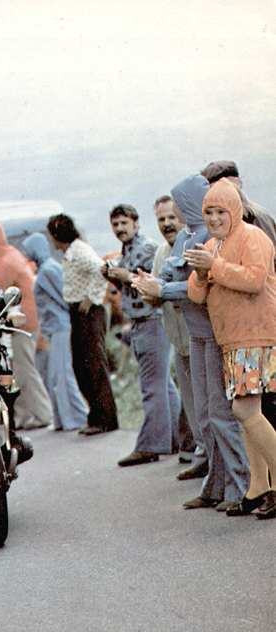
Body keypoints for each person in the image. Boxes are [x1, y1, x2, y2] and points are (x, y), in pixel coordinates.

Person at [141, 175, 249, 511]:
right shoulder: (188, 236)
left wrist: (162, 290)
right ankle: (216, 484)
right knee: (204, 413)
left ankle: (239, 486)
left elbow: (194, 283)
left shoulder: (206, 236)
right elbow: (176, 276)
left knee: (219, 410)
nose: (176, 215)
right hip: (195, 332)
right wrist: (154, 286)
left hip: (213, 332)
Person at [186, 178, 276, 519]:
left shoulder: (253, 237)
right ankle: (258, 488)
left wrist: (214, 267)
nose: (213, 218)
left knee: (245, 411)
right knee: (247, 415)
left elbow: (254, 280)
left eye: (220, 211)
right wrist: (200, 272)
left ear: (234, 211)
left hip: (255, 334)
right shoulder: (214, 245)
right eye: (207, 212)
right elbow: (198, 295)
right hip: (233, 340)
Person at [132, 195, 209, 481]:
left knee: (207, 405)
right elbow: (155, 295)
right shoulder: (161, 253)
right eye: (161, 219)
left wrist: (161, 291)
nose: (166, 224)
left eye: (171, 218)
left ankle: (216, 465)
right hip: (178, 340)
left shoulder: (192, 245)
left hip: (198, 337)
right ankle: (204, 458)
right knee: (192, 405)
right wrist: (148, 291)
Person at [102, 204, 180, 466]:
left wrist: (124, 275)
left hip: (150, 320)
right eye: (115, 224)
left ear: (136, 223)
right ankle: (176, 439)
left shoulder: (145, 248)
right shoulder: (128, 248)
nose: (120, 229)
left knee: (151, 386)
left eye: (124, 223)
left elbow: (152, 282)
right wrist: (115, 278)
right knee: (163, 385)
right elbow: (129, 288)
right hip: (142, 322)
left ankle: (150, 445)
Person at [0, 222, 53, 429]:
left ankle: (42, 413)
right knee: (20, 369)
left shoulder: (4, 263)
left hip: (23, 322)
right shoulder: (12, 254)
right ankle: (26, 415)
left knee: (24, 369)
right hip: (29, 319)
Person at [46, 214, 118, 436]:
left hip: (88, 311)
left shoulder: (78, 250)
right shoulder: (71, 253)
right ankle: (96, 416)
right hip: (77, 311)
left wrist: (91, 298)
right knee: (82, 365)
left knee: (93, 365)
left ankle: (105, 418)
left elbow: (101, 268)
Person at [21, 233, 88, 431]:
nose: (25, 252)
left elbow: (64, 296)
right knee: (55, 376)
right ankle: (64, 419)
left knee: (62, 375)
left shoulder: (48, 271)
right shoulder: (45, 269)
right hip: (54, 328)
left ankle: (76, 418)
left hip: (60, 327)